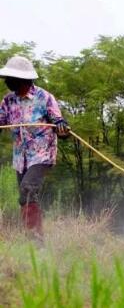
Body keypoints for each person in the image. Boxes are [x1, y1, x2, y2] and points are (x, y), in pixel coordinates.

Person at [0, 56, 70, 240]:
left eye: (9, 78)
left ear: (22, 79)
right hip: (20, 157)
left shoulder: (44, 97)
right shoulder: (8, 101)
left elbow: (59, 123)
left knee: (28, 189)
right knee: (25, 196)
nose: (6, 81)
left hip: (41, 155)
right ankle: (34, 239)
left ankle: (35, 240)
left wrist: (63, 128)